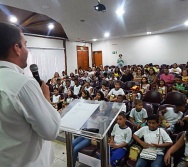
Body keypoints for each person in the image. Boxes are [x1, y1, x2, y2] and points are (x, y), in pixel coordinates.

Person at [0, 22, 61, 167]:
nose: (27, 50)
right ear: (17, 49)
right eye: (25, 45)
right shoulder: (23, 84)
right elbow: (51, 131)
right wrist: (45, 97)